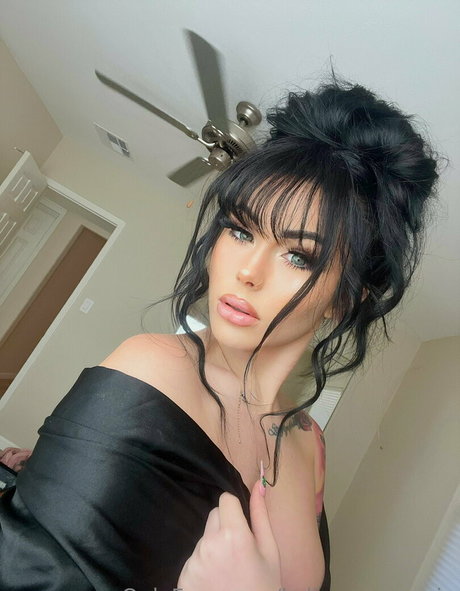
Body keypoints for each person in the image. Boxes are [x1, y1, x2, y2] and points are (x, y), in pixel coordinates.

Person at [0, 73, 440, 591]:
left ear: (346, 297)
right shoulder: (153, 372)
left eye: (299, 256)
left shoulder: (310, 445)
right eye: (240, 229)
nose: (247, 271)